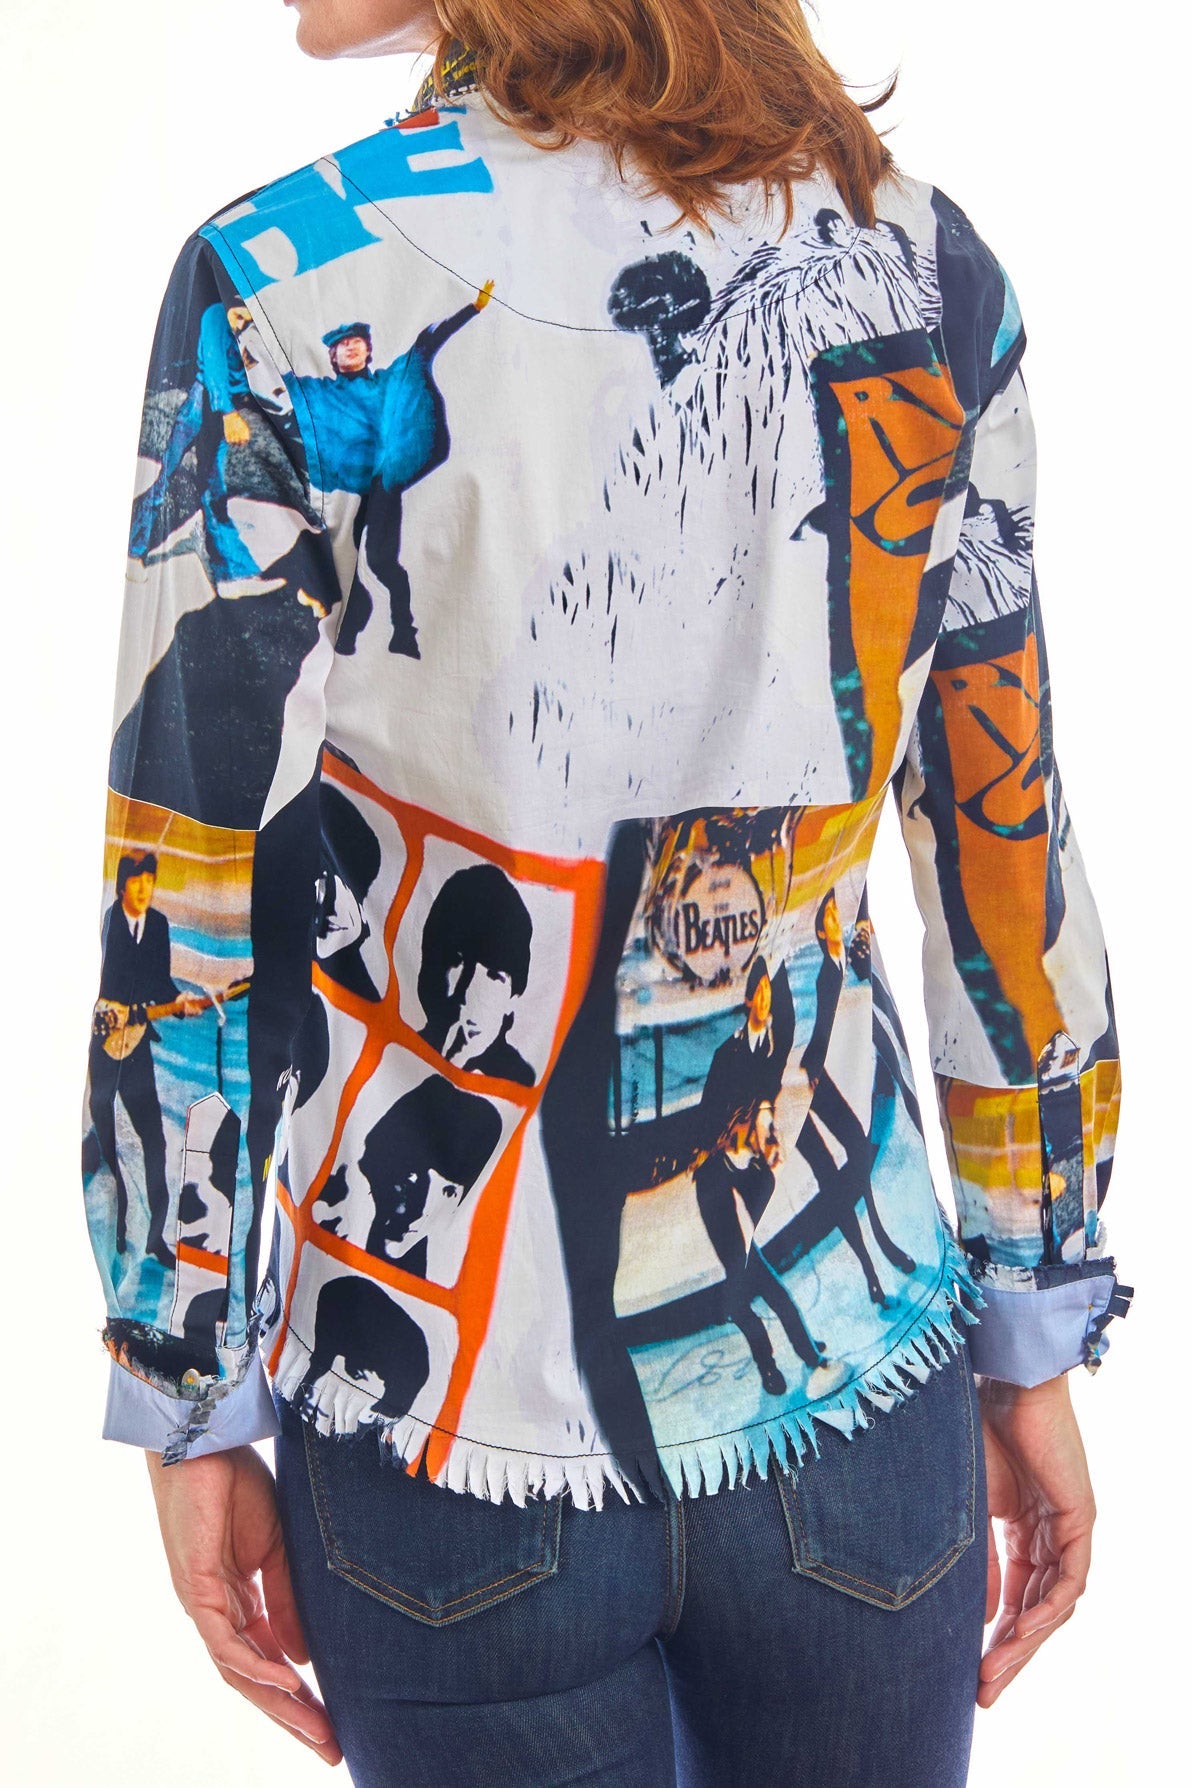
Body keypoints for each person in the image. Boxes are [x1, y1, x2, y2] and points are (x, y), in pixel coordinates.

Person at [84, 5, 1134, 1785]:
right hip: (853, 1382)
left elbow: (188, 889)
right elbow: (999, 832)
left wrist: (188, 1380)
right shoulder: (926, 265)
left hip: (442, 1413)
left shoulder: (278, 281)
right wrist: (1034, 1310)